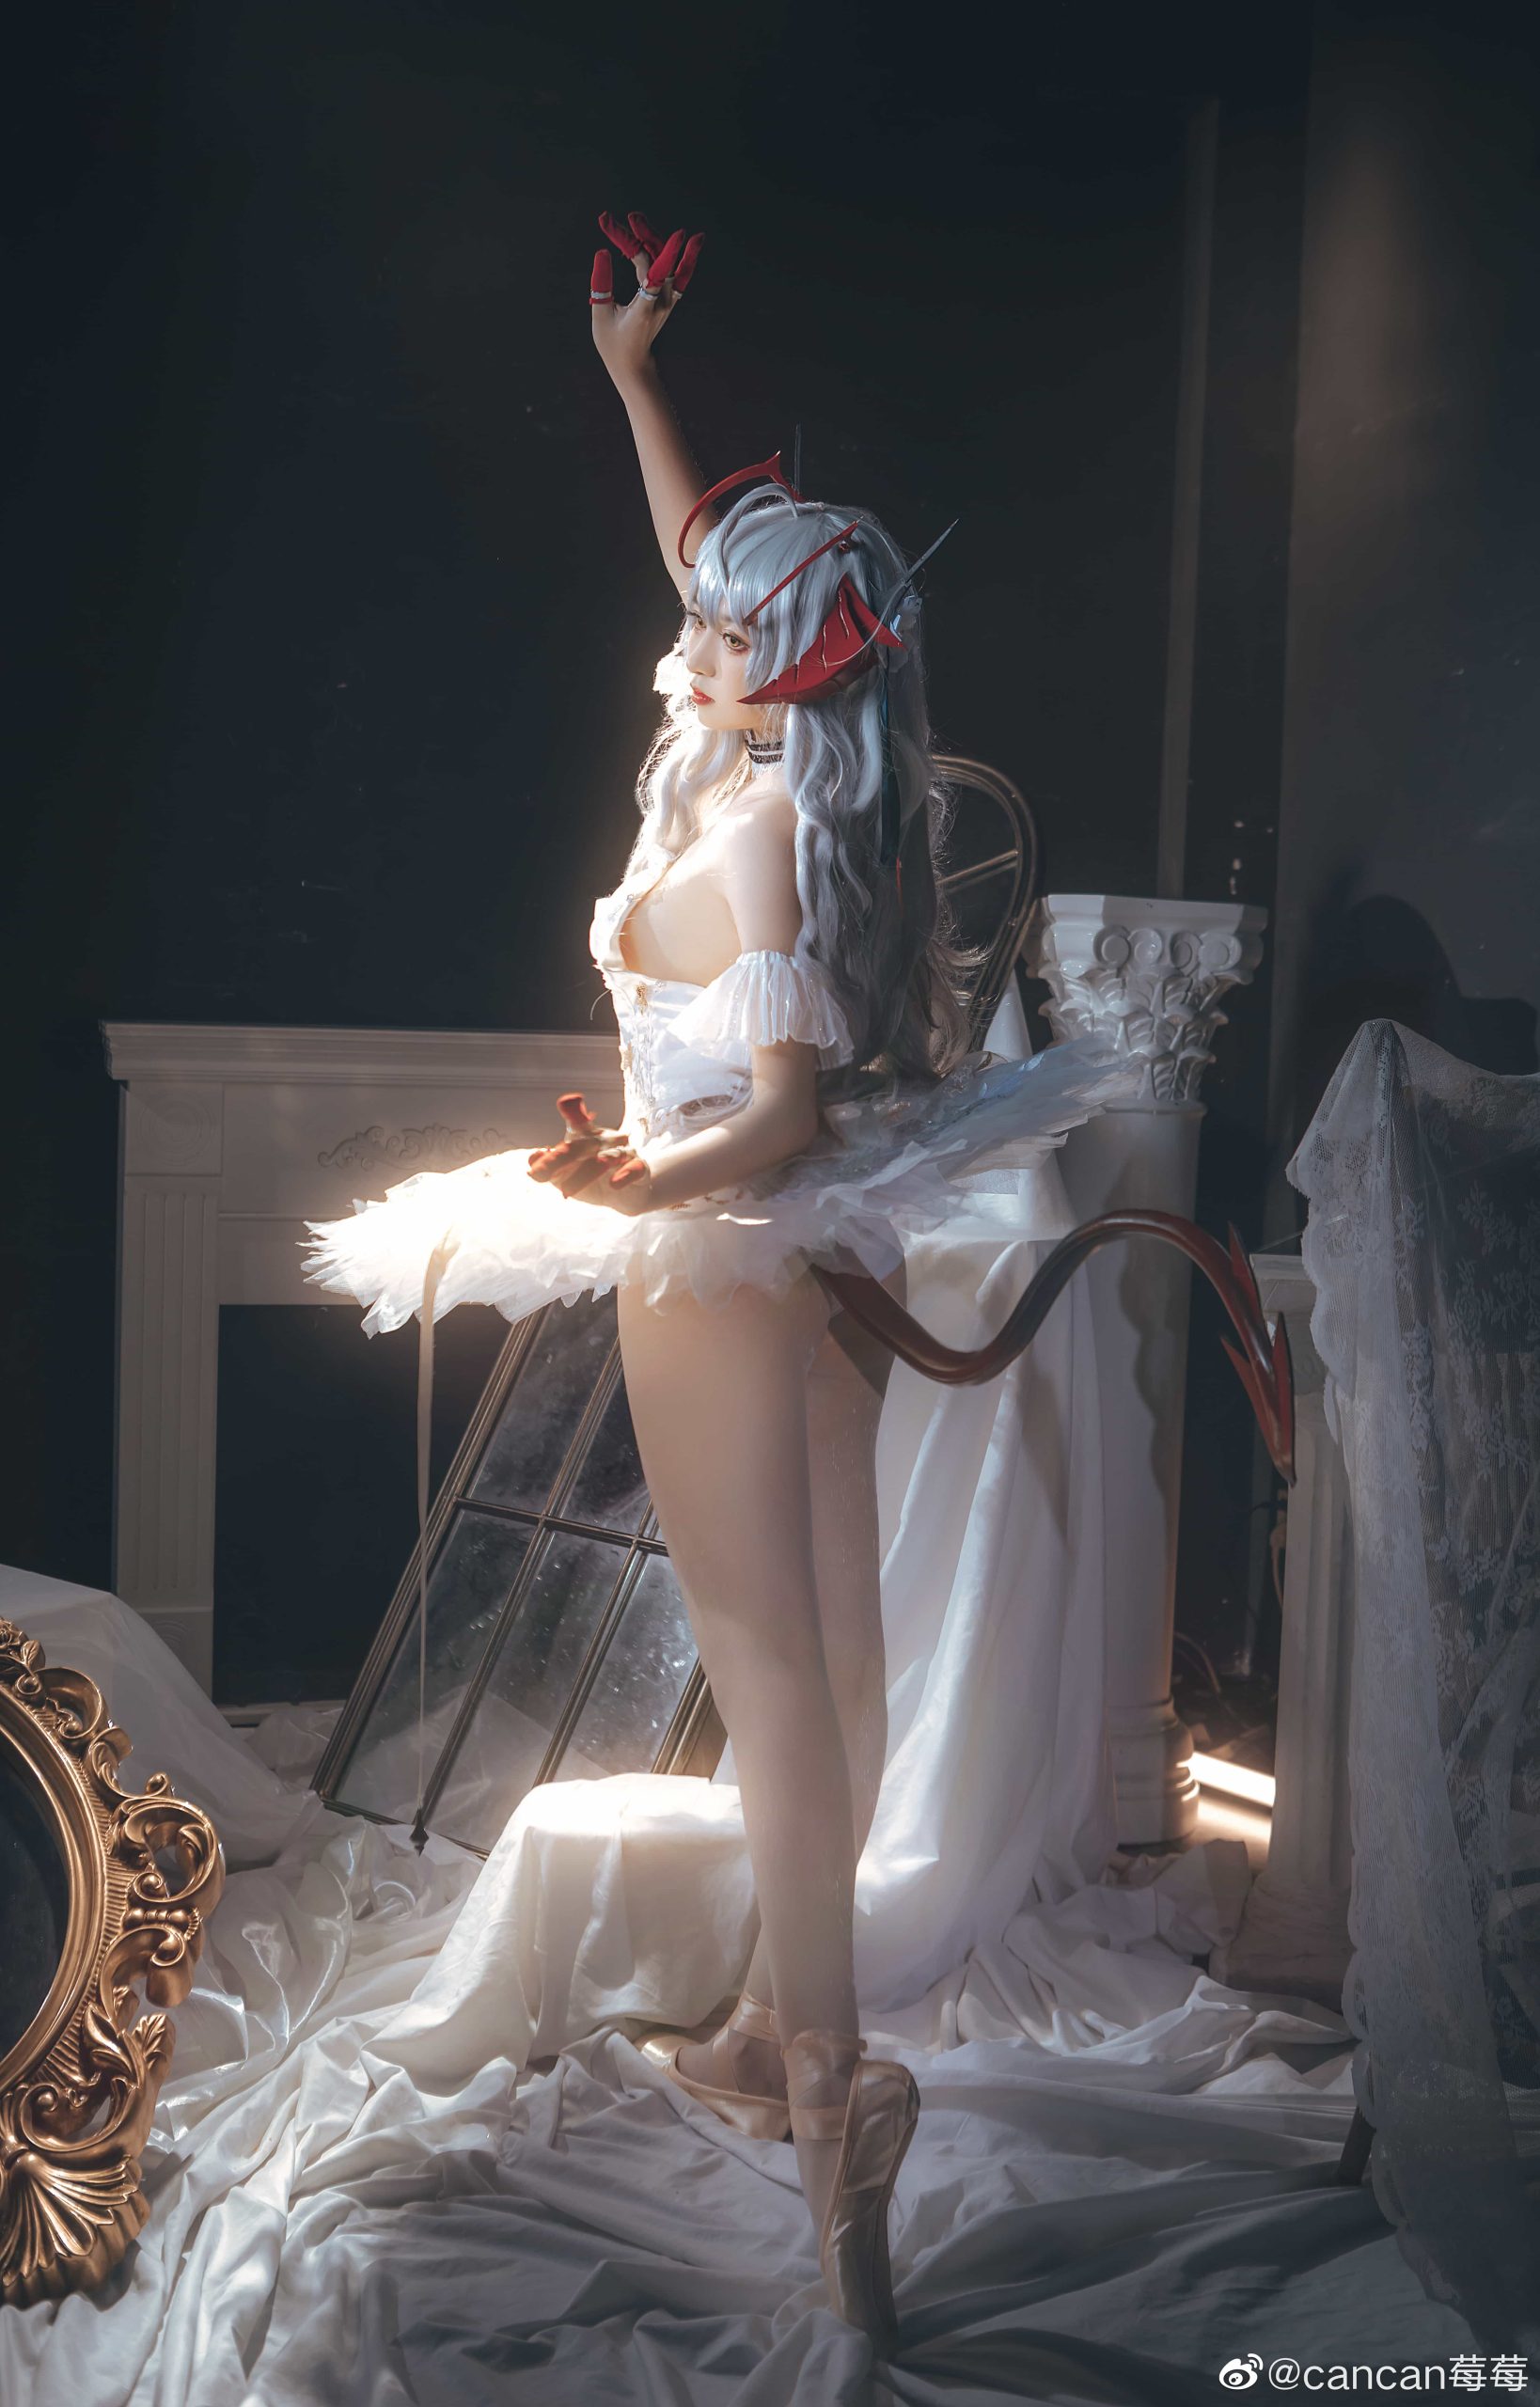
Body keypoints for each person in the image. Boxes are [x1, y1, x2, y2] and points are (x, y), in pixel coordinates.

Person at [302, 208, 1128, 2351]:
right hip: (815, 1242)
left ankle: (831, 2082)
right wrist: (633, 378)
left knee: (767, 1666)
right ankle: (778, 2023)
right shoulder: (783, 781)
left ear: (784, 661)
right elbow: (712, 555)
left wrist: (628, 1180)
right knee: (832, 1656)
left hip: (724, 1242)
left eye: (729, 619)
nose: (691, 625)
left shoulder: (756, 828)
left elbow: (768, 1113)